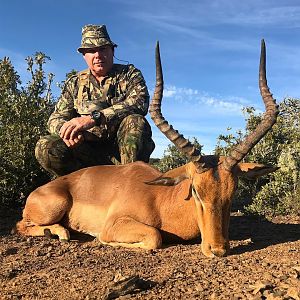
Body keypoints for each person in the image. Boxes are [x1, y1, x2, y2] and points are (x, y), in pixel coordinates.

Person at [35, 24, 155, 177]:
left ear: (112, 50)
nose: (98, 55)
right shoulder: (74, 82)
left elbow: (140, 103)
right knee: (45, 146)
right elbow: (56, 117)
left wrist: (94, 118)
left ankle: (129, 184)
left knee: (136, 122)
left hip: (123, 155)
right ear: (84, 55)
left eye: (103, 49)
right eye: (91, 51)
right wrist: (68, 131)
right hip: (87, 153)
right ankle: (82, 190)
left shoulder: (130, 74)